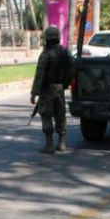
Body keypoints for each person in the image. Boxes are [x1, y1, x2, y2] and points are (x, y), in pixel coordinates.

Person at [30, 26, 73, 154]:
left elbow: (39, 75)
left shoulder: (45, 55)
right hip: (60, 89)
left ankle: (49, 145)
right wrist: (65, 84)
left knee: (47, 115)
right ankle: (62, 143)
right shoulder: (66, 53)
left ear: (47, 39)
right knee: (60, 115)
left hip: (47, 90)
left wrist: (34, 92)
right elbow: (71, 70)